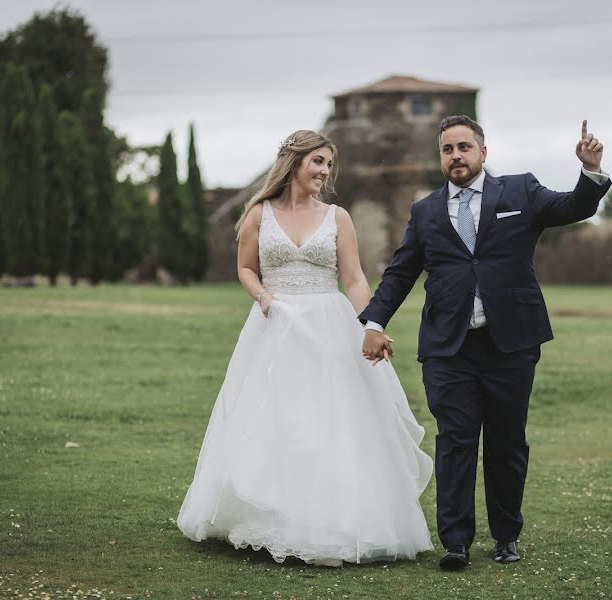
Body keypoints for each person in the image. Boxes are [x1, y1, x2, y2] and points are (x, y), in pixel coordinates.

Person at [359, 115, 610, 570]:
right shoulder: (425, 211)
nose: (455, 156)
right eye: (447, 149)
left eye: (463, 147)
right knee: (455, 441)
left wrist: (589, 171)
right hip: (447, 348)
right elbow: (400, 273)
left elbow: (574, 206)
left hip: (510, 344)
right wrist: (374, 321)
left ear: (483, 152)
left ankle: (506, 537)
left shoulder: (520, 192)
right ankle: (455, 542)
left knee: (507, 442)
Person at [177, 130, 433, 566]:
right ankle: (272, 517)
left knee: (327, 421)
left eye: (329, 165)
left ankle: (331, 518)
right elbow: (245, 268)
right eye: (318, 162)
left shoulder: (338, 217)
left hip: (328, 327)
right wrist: (263, 297)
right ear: (294, 163)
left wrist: (372, 324)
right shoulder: (259, 213)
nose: (324, 171)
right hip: (273, 326)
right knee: (273, 420)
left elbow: (352, 279)